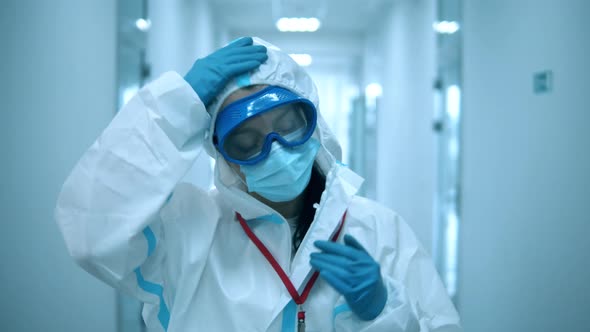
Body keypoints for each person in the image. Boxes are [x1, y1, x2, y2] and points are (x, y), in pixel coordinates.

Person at [55, 37, 461, 331]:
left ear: (314, 122)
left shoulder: (378, 231)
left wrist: (386, 312)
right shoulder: (186, 231)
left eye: (288, 126)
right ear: (224, 156)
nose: (276, 150)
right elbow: (93, 230)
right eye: (247, 142)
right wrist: (173, 108)